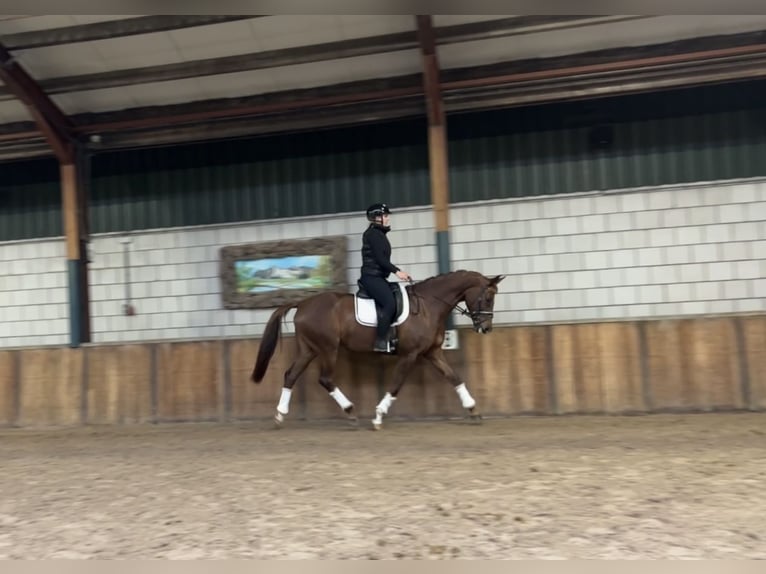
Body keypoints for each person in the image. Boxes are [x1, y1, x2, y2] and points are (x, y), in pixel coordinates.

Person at [358, 203, 412, 352]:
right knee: (389, 303)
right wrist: (397, 271)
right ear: (377, 218)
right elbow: (381, 260)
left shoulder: (378, 233)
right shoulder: (373, 234)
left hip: (379, 277)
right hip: (371, 278)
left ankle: (392, 335)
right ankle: (380, 341)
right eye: (385, 216)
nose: (388, 218)